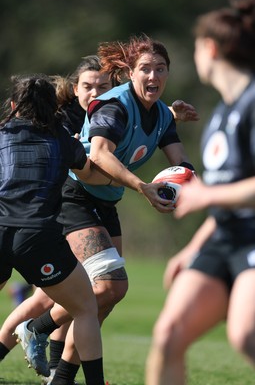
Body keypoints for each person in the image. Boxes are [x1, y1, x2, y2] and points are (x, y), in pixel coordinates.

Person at [12, 35, 198, 385]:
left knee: (105, 298)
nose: (153, 75)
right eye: (145, 68)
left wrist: (191, 188)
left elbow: (181, 161)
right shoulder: (115, 105)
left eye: (160, 69)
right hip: (74, 195)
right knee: (110, 286)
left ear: (168, 73)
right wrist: (143, 188)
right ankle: (36, 328)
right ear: (129, 72)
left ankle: (62, 378)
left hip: (107, 200)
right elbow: (99, 154)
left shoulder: (160, 114)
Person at [145, 0, 255, 384]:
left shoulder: (253, 104)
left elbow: (230, 194)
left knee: (246, 337)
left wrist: (207, 194)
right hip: (224, 237)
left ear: (209, 49)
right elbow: (229, 198)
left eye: (193, 49)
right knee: (168, 335)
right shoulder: (220, 115)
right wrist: (192, 249)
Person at [0, 73, 114, 385]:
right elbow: (92, 175)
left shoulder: (1, 132)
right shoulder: (59, 136)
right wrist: (129, 179)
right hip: (37, 236)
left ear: (12, 105)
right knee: (86, 308)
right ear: (53, 108)